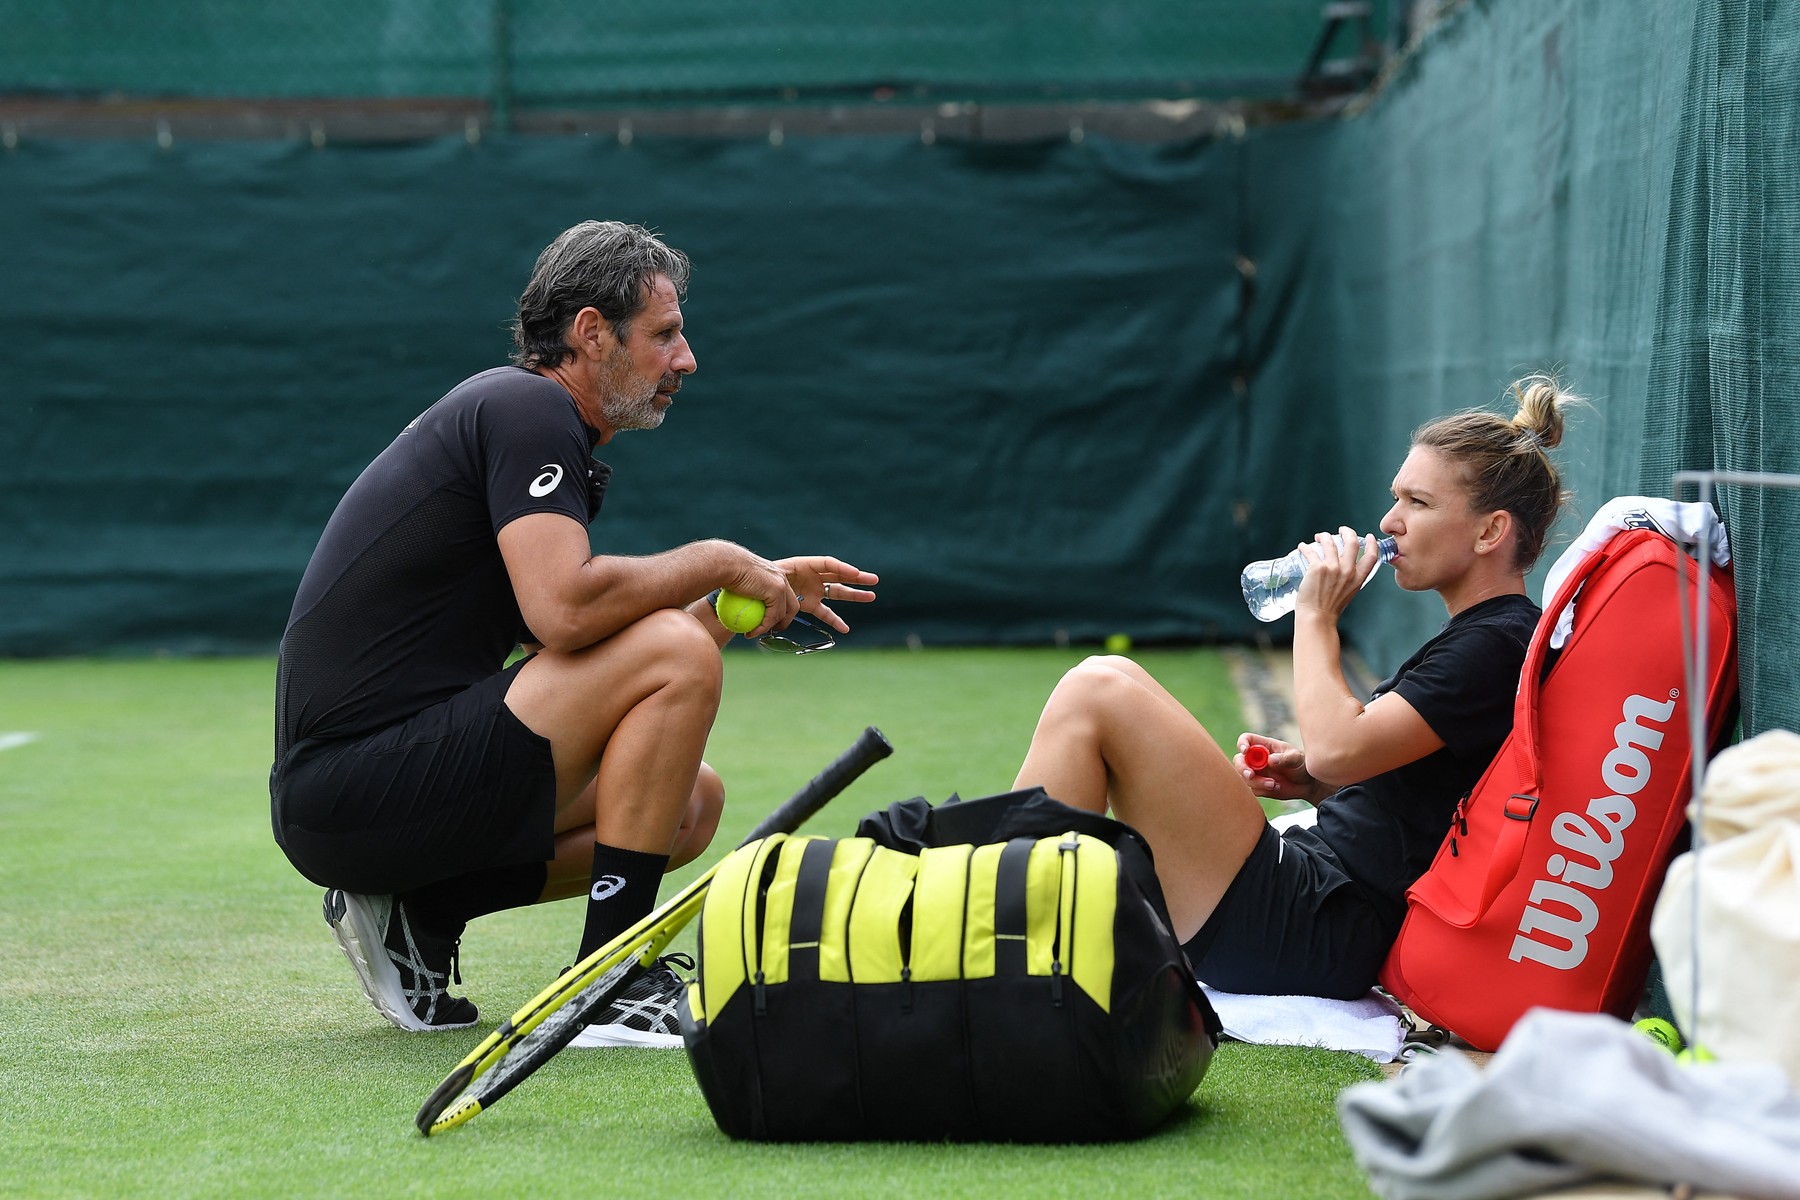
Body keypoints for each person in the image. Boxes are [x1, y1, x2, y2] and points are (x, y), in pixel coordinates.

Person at [269, 220, 877, 1045]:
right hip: (350, 788)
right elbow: (567, 610)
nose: (686, 360)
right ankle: (609, 982)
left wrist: (729, 602)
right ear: (591, 333)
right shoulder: (527, 407)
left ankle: (421, 913)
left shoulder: (533, 426)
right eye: (664, 335)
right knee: (672, 655)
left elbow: (573, 661)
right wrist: (714, 560)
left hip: (371, 791)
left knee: (689, 804)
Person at [1012, 376, 1579, 999]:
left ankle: (997, 943)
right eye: (1395, 498)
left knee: (1097, 689)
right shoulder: (1487, 636)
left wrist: (1313, 617)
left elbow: (1343, 745)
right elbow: (1414, 779)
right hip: (1310, 900)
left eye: (1418, 503)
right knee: (1114, 676)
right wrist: (1315, 778)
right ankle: (1016, 931)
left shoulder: (1495, 644)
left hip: (1314, 922)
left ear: (1489, 532)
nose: (1390, 521)